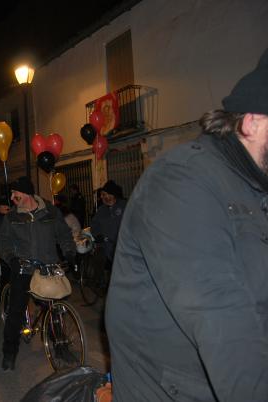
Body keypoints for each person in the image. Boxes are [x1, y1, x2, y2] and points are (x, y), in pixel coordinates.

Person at [105, 48, 268, 401]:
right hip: (174, 389)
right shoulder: (182, 181)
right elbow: (221, 318)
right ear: (253, 120)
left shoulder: (255, 188)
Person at [0, 176, 75, 371]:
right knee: (15, 311)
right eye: (12, 193)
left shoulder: (51, 212)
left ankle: (60, 347)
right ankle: (9, 352)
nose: (13, 197)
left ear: (27, 193)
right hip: (23, 268)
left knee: (54, 309)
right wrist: (11, 259)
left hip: (48, 266)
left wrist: (70, 253)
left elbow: (64, 234)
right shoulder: (11, 217)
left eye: (16, 193)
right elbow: (3, 241)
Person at [90, 180, 126, 264]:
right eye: (101, 195)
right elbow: (94, 225)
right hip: (106, 247)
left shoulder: (124, 206)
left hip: (122, 247)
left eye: (104, 194)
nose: (102, 197)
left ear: (111, 194)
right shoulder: (101, 210)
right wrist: (97, 235)